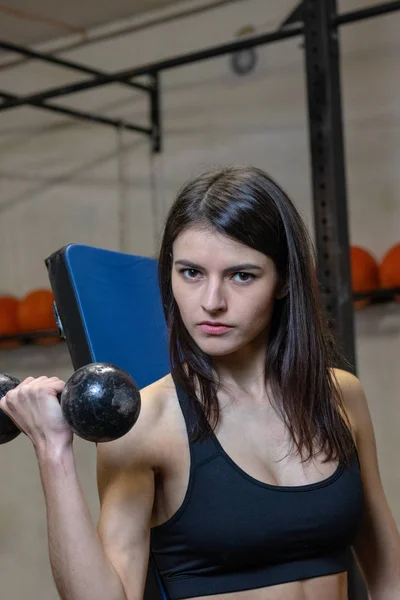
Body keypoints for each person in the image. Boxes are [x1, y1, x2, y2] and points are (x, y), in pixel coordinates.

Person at [1, 165, 400, 600]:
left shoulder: (341, 396)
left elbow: (388, 576)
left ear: (284, 280)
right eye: (191, 273)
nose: (212, 303)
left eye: (241, 275)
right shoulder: (146, 423)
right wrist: (53, 453)